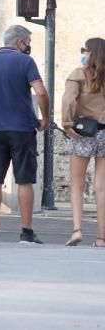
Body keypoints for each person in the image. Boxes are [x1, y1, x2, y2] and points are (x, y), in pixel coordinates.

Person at [0, 24, 49, 244]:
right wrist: (45, 117)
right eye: (29, 43)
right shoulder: (25, 62)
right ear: (20, 43)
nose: (29, 47)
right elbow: (41, 92)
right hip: (22, 129)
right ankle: (26, 233)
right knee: (24, 180)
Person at [61, 37, 105, 247]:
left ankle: (77, 230)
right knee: (101, 187)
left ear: (90, 53)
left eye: (84, 50)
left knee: (77, 184)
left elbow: (68, 100)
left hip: (83, 133)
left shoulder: (78, 75)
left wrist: (67, 123)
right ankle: (101, 238)